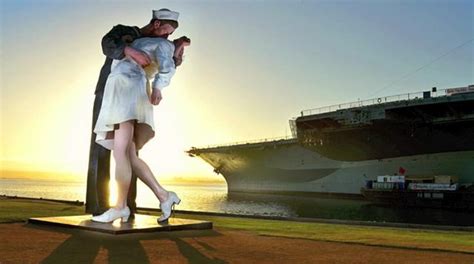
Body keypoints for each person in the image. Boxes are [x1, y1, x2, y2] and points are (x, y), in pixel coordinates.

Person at [86, 8, 182, 218]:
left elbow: (167, 65)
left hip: (129, 94)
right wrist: (129, 51)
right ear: (156, 24)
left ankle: (122, 206)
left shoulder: (162, 43)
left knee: (122, 151)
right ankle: (163, 195)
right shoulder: (125, 32)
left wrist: (159, 86)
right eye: (166, 31)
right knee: (124, 153)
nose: (168, 36)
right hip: (109, 91)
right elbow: (107, 44)